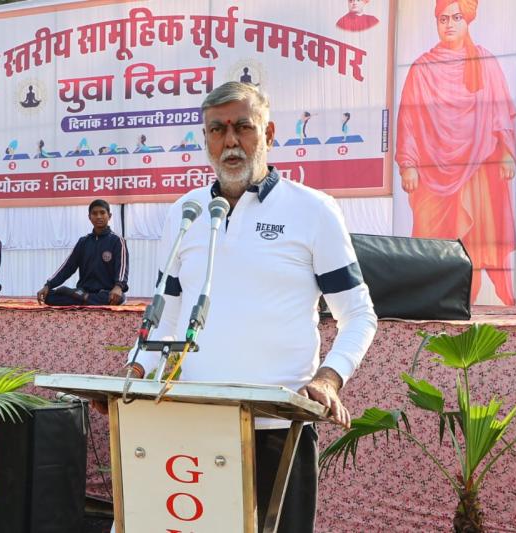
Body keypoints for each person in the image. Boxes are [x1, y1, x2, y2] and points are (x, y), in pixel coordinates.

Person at [121, 81, 377, 532]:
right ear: (205, 139)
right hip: (194, 430)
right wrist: (137, 370)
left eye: (243, 127)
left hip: (279, 430)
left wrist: (328, 378)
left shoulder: (313, 210)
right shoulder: (185, 212)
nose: (230, 141)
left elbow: (358, 313)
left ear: (269, 133)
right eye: (217, 130)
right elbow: (167, 314)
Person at [396, 0, 516, 305]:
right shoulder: (422, 68)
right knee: (432, 240)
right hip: (433, 172)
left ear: (468, 20)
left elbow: (501, 110)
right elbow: (408, 119)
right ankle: (433, 300)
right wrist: (408, 164)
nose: (449, 24)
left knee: (479, 237)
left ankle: (482, 302)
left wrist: (506, 152)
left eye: (456, 17)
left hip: (479, 166)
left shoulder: (484, 61)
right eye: (443, 19)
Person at [37, 199, 128, 306]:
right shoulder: (83, 242)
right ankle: (83, 297)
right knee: (48, 296)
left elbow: (122, 268)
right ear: (89, 217)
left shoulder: (117, 241)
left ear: (109, 216)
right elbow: (67, 267)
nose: (99, 216)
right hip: (83, 290)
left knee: (119, 298)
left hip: (105, 292)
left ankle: (78, 296)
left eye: (102, 213)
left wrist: (118, 286)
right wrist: (48, 285)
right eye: (94, 213)